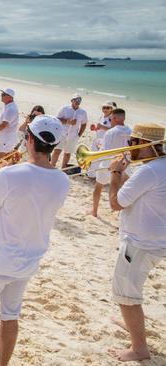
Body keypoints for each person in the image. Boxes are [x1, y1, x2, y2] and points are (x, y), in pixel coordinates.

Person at [0, 115, 69, 366]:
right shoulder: (63, 180)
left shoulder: (10, 174)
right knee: (10, 315)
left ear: (29, 139)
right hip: (28, 261)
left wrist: (2, 172)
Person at [106, 123, 166, 363]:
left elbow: (115, 203)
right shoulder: (159, 168)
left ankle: (139, 348)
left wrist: (115, 174)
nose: (128, 146)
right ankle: (132, 324)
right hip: (155, 241)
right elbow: (141, 192)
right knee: (132, 289)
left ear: (145, 145)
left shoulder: (149, 171)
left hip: (140, 243)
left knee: (125, 294)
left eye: (132, 142)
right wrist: (123, 176)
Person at [91, 108, 131, 217]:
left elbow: (105, 152)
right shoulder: (130, 131)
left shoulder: (111, 132)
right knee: (123, 191)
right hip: (124, 165)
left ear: (115, 118)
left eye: (111, 119)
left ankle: (94, 211)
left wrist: (99, 146)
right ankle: (121, 214)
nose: (110, 121)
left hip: (108, 164)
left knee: (98, 187)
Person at [52, 93, 88, 168]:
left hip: (73, 136)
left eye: (79, 100)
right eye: (76, 99)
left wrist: (79, 134)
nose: (77, 101)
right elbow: (57, 119)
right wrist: (67, 121)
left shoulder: (83, 112)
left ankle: (63, 168)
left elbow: (84, 124)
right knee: (57, 150)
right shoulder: (64, 108)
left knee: (67, 153)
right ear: (72, 100)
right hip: (62, 134)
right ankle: (52, 166)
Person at [87, 101, 116, 178]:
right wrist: (95, 128)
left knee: (101, 159)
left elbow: (114, 130)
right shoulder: (101, 116)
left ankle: (98, 176)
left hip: (105, 141)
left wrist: (102, 127)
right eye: (104, 107)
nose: (105, 109)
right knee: (93, 156)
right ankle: (91, 174)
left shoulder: (112, 118)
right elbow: (99, 129)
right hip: (97, 139)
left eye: (108, 108)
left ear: (111, 109)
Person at [0, 88, 19, 160]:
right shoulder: (7, 106)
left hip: (7, 138)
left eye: (4, 94)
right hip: (5, 137)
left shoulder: (11, 109)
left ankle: (2, 170)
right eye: (2, 94)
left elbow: (4, 125)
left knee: (0, 156)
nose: (1, 95)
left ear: (10, 97)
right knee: (6, 157)